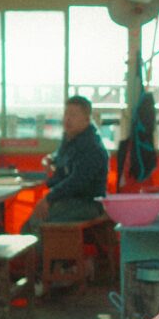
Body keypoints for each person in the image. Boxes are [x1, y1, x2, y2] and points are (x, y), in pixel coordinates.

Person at [22, 95, 109, 236]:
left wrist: (49, 199)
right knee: (30, 224)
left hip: (88, 204)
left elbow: (77, 182)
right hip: (68, 200)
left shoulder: (92, 147)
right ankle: (37, 257)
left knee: (39, 224)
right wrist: (51, 160)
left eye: (73, 115)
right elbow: (60, 158)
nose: (67, 119)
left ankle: (46, 258)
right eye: (66, 114)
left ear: (87, 119)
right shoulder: (70, 138)